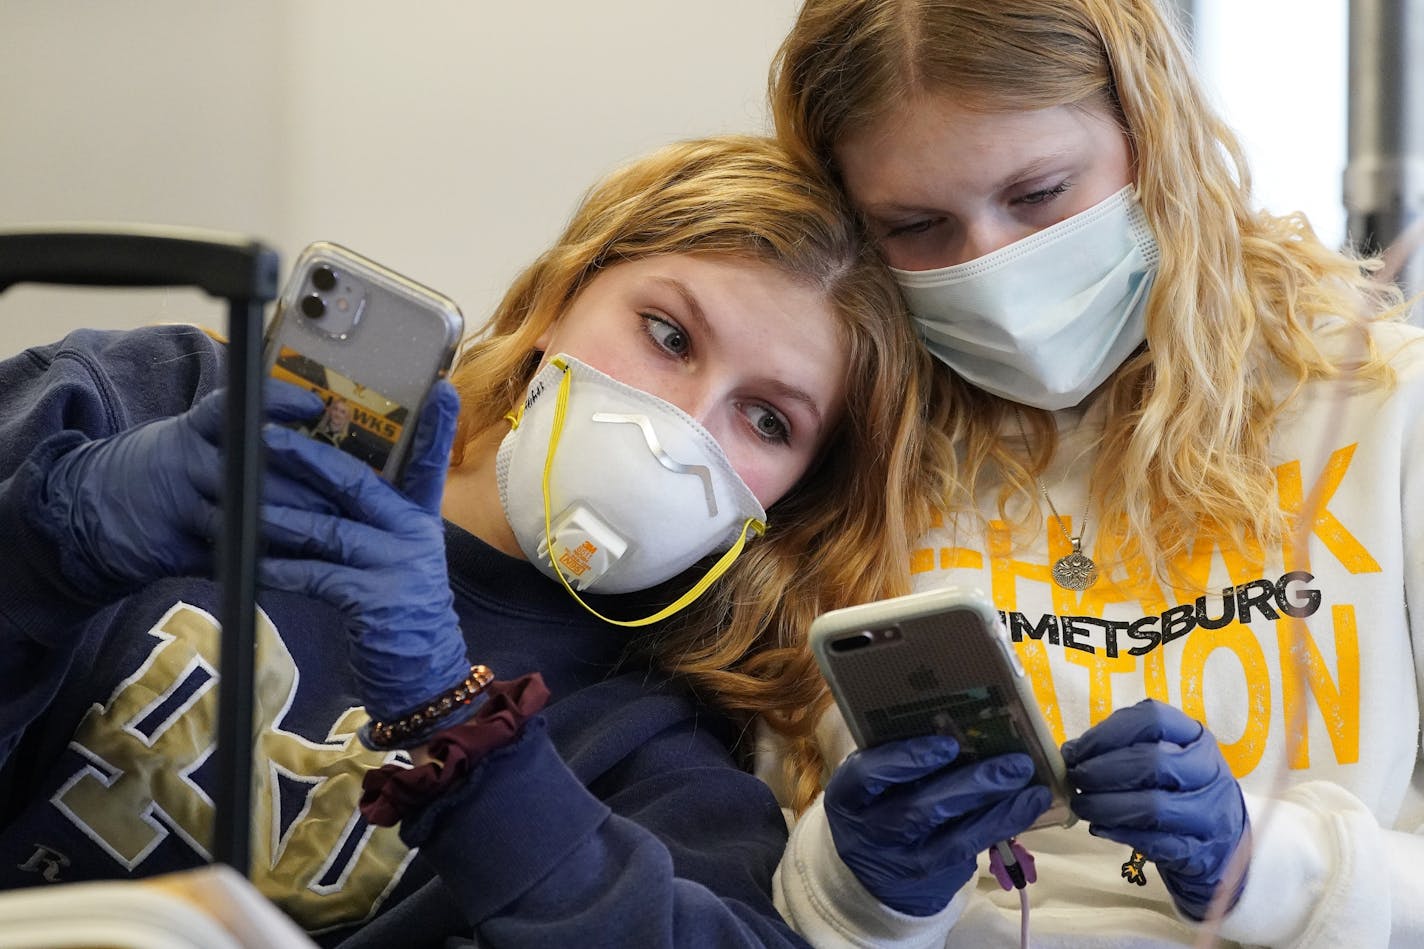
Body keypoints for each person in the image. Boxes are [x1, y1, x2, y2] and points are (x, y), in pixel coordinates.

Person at [0, 135, 943, 947]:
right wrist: (57, 538)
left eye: (767, 421)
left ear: (783, 504)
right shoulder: (162, 399)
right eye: (666, 334)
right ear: (559, 295)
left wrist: (467, 733)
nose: (676, 423)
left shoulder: (645, 748)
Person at [765, 2, 1424, 947]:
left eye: (1039, 196)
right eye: (917, 227)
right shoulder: (835, 443)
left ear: (1153, 138)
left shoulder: (1385, 403)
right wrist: (857, 880)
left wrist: (1271, 859)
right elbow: (741, 874)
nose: (993, 267)